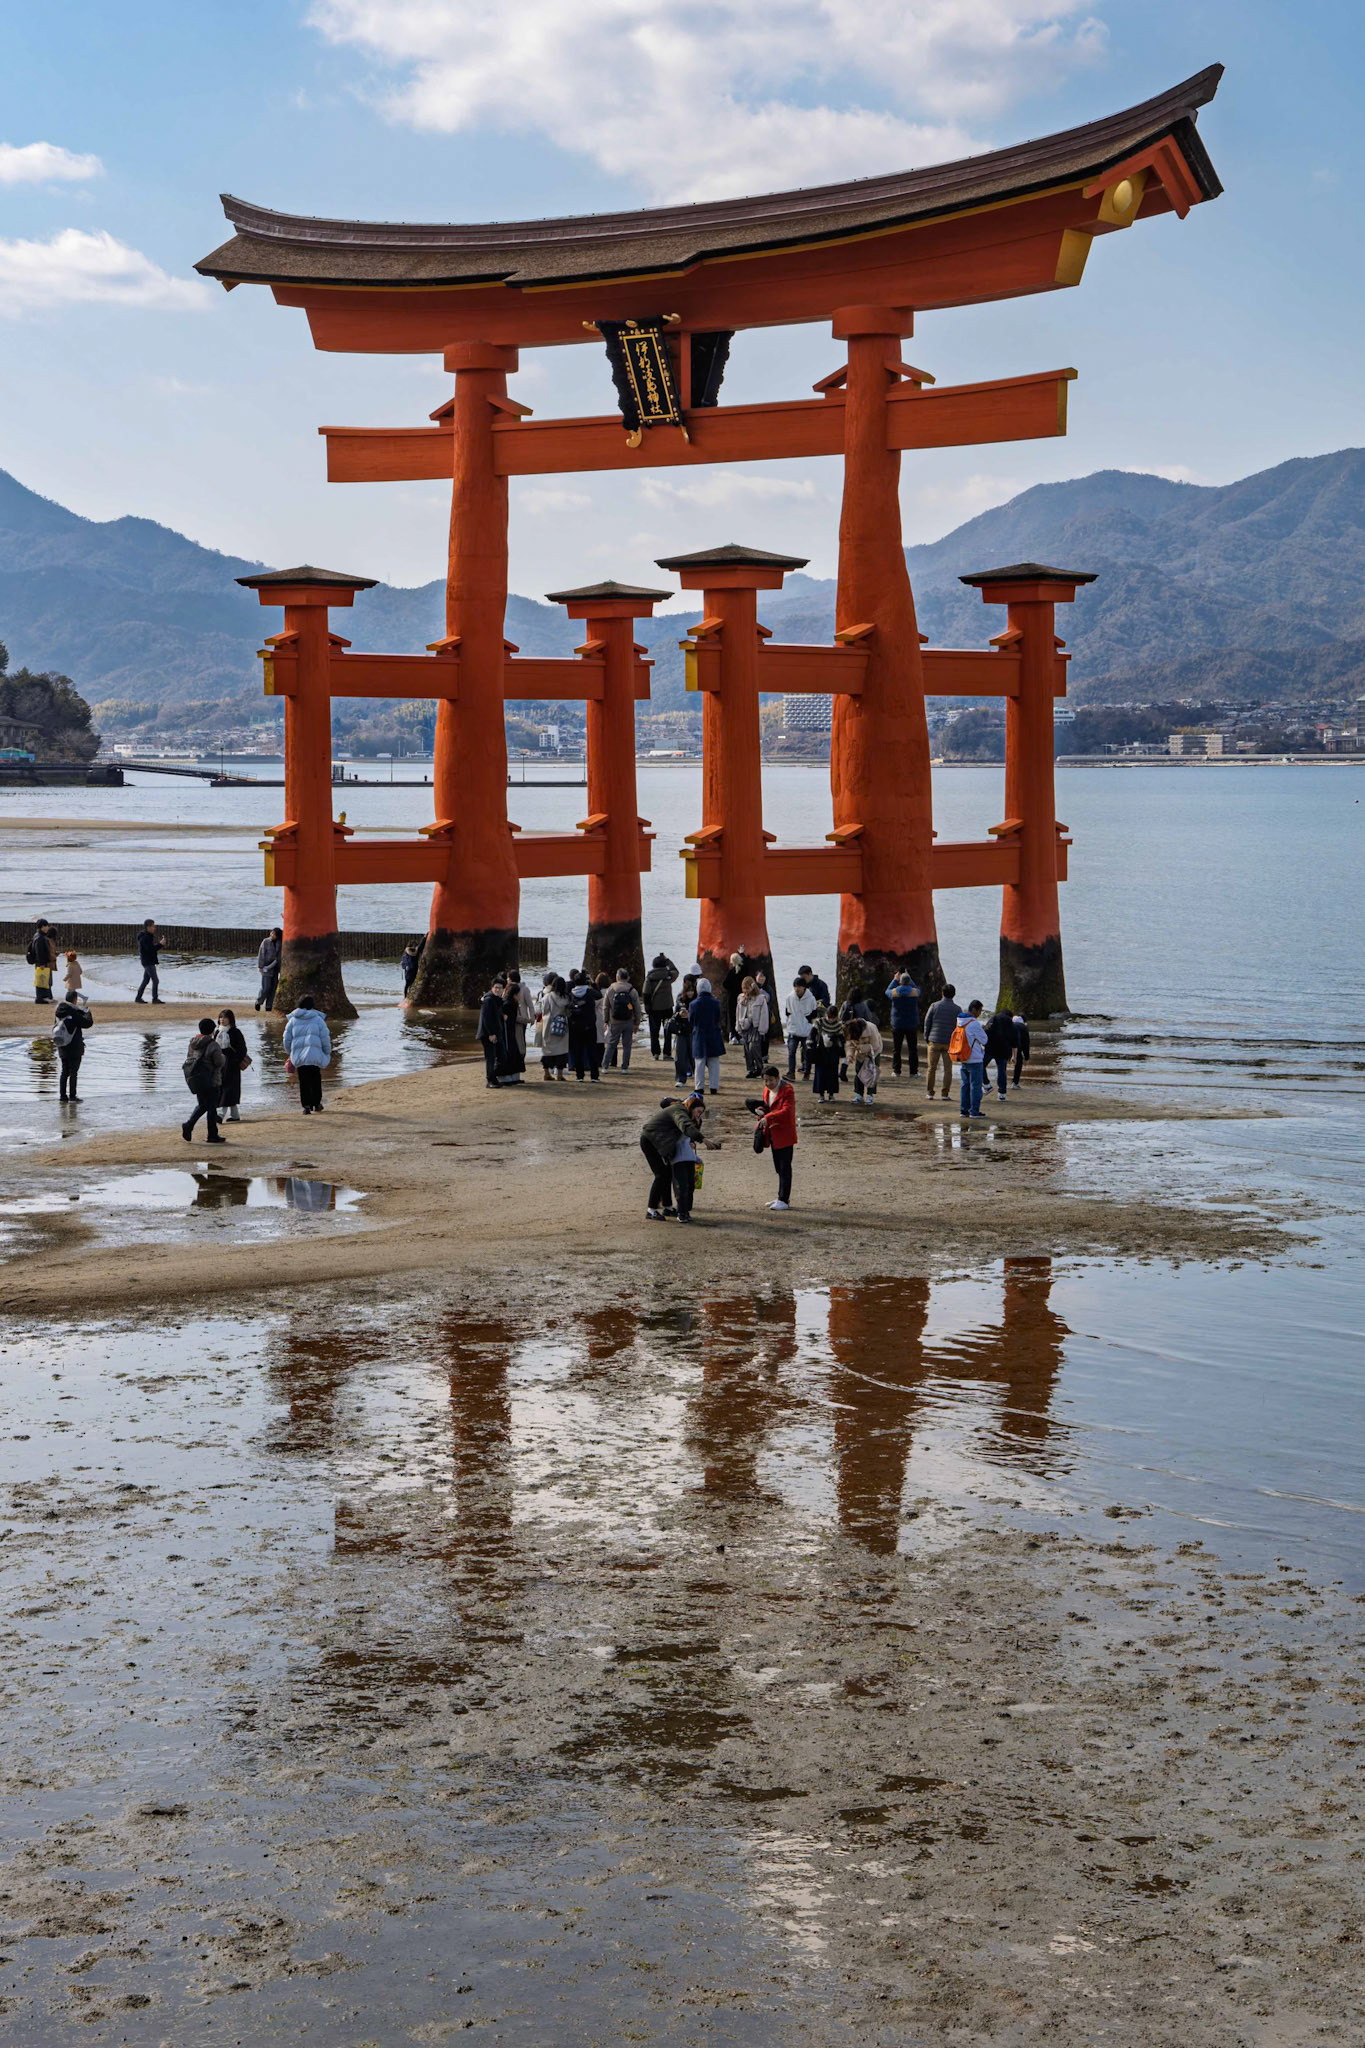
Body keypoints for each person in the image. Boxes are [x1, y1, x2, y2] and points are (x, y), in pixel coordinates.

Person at [639, 1091, 715, 1222]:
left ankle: (667, 1207)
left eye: (701, 1113)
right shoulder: (679, 1111)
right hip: (650, 1141)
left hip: (660, 1142)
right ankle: (651, 1210)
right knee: (661, 1175)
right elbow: (685, 1126)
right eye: (698, 1111)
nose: (699, 1115)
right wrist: (704, 1140)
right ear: (690, 1107)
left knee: (667, 1174)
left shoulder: (682, 1110)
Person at [750, 1064, 797, 1210]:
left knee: (784, 1167)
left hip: (784, 1134)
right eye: (765, 1080)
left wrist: (768, 1117)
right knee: (778, 1167)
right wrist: (761, 1110)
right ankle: (780, 1197)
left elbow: (787, 1111)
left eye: (770, 1080)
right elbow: (768, 1106)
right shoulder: (766, 1091)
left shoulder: (788, 1091)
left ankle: (784, 1199)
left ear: (778, 1078)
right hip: (772, 1134)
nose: (768, 1083)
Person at [283, 993, 332, 1114]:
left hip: (299, 1057)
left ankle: (306, 1106)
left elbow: (286, 1039)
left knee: (303, 1082)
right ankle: (316, 1104)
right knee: (315, 1080)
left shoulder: (293, 1021)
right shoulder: (318, 1020)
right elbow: (325, 1038)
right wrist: (327, 1051)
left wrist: (290, 1052)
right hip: (315, 1055)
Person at [181, 1017, 227, 1142]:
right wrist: (223, 1056)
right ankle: (208, 1133)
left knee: (203, 1105)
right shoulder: (213, 1045)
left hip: (197, 1079)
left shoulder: (193, 1042)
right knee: (211, 1107)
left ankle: (194, 1127)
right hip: (211, 1080)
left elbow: (189, 1058)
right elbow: (219, 1062)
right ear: (212, 1030)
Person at [52, 990, 92, 1103]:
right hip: (74, 1047)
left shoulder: (58, 1012)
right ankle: (73, 1097)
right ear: (75, 999)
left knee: (64, 1071)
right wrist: (87, 1013)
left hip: (62, 1045)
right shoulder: (74, 1012)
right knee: (73, 1072)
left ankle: (63, 1097)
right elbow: (88, 1023)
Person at [923, 982, 959, 1101]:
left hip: (934, 1040)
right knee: (948, 1069)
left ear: (942, 993)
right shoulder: (957, 1009)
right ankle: (945, 1093)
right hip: (949, 1043)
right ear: (954, 995)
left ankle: (930, 1092)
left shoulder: (934, 1006)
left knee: (931, 1068)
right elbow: (958, 1028)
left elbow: (927, 1022)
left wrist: (926, 1037)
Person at [689, 976, 725, 1095]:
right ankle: (714, 1087)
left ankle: (699, 1087)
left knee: (699, 1063)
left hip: (699, 1035)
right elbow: (718, 1018)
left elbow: (691, 1021)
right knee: (714, 1062)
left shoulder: (693, 1004)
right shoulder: (716, 1003)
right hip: (714, 1034)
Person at [954, 999, 989, 1119]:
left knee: (965, 1085)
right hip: (974, 1058)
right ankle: (974, 1111)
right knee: (975, 1086)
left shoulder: (960, 1022)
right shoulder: (974, 1023)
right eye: (979, 1011)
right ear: (974, 1009)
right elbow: (984, 1040)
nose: (979, 1013)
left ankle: (964, 1110)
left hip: (963, 1057)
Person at [215, 1007, 251, 1122]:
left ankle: (220, 1115)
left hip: (231, 1065)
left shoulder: (235, 1032)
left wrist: (235, 1060)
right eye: (221, 1017)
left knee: (228, 1089)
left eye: (225, 1017)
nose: (222, 1020)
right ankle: (235, 1115)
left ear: (230, 1019)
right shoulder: (217, 1032)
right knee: (224, 1088)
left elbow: (242, 1049)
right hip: (220, 1064)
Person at [604, 969, 643, 1069]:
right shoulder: (632, 990)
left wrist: (606, 1020)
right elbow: (637, 1008)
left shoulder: (611, 989)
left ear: (617, 977)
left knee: (611, 1044)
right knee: (627, 1045)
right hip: (628, 1021)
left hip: (614, 1021)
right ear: (628, 978)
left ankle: (605, 1066)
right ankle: (624, 1067)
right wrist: (637, 1023)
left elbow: (606, 1007)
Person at [567, 972, 602, 1082]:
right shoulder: (590, 992)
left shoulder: (571, 994)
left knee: (578, 1051)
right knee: (592, 1050)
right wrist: (593, 983)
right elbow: (599, 995)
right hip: (589, 1025)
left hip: (575, 1026)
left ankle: (579, 1076)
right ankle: (594, 1076)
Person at [642, 953, 678, 1058]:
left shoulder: (649, 977)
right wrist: (667, 960)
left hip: (654, 1008)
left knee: (654, 1032)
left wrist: (647, 1007)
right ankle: (667, 1053)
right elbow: (676, 971)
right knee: (668, 1031)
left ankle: (656, 1053)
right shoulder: (668, 975)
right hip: (667, 1007)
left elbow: (646, 993)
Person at [885, 970, 920, 1077]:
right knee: (912, 1048)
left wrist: (895, 979)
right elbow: (917, 988)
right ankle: (913, 1071)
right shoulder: (914, 992)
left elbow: (887, 991)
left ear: (900, 981)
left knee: (897, 1048)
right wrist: (910, 978)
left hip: (897, 1023)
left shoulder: (895, 992)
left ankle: (896, 1070)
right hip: (911, 1024)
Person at [735, 976, 771, 1078]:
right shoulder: (741, 998)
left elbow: (764, 1014)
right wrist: (738, 1027)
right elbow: (738, 1013)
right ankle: (751, 1069)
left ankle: (759, 1067)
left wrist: (763, 1029)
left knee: (753, 1047)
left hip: (755, 1027)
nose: (745, 991)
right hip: (745, 1026)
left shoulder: (760, 999)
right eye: (744, 988)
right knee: (747, 1049)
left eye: (747, 988)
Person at [784, 975, 818, 1078]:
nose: (796, 989)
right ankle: (791, 1073)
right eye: (795, 986)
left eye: (799, 986)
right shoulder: (789, 997)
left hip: (806, 1030)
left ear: (804, 987)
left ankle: (807, 1073)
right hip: (793, 1029)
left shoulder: (811, 999)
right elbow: (787, 1012)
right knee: (791, 1052)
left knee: (807, 1053)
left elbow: (814, 1014)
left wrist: (809, 1024)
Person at [538, 975, 571, 1079]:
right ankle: (560, 1074)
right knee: (561, 1051)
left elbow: (544, 1010)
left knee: (547, 1050)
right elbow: (569, 1012)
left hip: (549, 1024)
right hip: (562, 1025)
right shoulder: (567, 998)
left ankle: (547, 1073)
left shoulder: (548, 996)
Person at [477, 976, 508, 1088]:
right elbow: (486, 1018)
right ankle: (490, 1080)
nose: (497, 990)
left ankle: (493, 1078)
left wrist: (502, 1015)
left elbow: (496, 1012)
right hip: (487, 1034)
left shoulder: (496, 1000)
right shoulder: (488, 999)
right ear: (492, 988)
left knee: (502, 1057)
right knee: (491, 1058)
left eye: (500, 988)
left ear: (503, 989)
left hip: (496, 1033)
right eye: (496, 988)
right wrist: (490, 1034)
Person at [845, 1016, 883, 1105]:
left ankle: (870, 1095)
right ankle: (859, 1094)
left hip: (873, 1053)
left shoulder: (871, 1028)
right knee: (858, 1072)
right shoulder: (850, 1032)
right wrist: (850, 1055)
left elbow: (875, 1045)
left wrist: (861, 1047)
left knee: (871, 1073)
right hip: (860, 1054)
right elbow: (849, 1044)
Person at [809, 1003, 844, 1101]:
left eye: (832, 1018)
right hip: (821, 1051)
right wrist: (810, 1047)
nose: (830, 1019)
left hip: (833, 1051)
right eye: (829, 1017)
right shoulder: (819, 1023)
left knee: (832, 1074)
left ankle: (831, 1094)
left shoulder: (839, 1025)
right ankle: (821, 1094)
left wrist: (834, 1042)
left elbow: (842, 1039)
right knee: (820, 1073)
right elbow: (812, 1036)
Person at [983, 1007, 1018, 1100]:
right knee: (1002, 1071)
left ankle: (987, 1085)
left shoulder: (994, 1018)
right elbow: (1015, 1039)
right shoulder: (1011, 1023)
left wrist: (984, 1042)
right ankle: (1002, 1094)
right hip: (1004, 1050)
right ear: (1010, 1016)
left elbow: (986, 1030)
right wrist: (1014, 1055)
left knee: (981, 1066)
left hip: (990, 1047)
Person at [500, 978, 526, 1084]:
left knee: (512, 1052)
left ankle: (512, 1076)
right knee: (511, 1052)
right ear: (514, 994)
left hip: (510, 1031)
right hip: (508, 1032)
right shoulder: (509, 1004)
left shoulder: (508, 1003)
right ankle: (510, 1077)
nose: (519, 995)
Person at [663, 993, 693, 1087]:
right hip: (681, 1031)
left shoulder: (697, 1001)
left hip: (693, 1031)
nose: (690, 993)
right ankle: (681, 1078)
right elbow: (674, 1015)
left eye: (692, 990)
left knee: (693, 1055)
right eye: (688, 990)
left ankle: (691, 1070)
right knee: (680, 1055)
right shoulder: (680, 998)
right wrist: (678, 1015)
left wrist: (690, 1015)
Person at [721, 950, 750, 1038]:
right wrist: (742, 953)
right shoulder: (744, 970)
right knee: (742, 1014)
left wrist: (730, 989)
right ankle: (741, 1034)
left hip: (732, 996)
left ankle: (733, 1034)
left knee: (732, 1015)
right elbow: (746, 962)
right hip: (743, 995)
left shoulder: (732, 972)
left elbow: (725, 984)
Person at [134, 918, 162, 1004]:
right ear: (148, 927)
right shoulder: (145, 937)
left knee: (146, 980)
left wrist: (159, 945)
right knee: (156, 980)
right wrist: (160, 944)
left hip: (147, 961)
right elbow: (150, 949)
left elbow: (150, 949)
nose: (154, 928)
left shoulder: (146, 936)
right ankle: (155, 998)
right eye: (153, 926)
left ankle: (138, 997)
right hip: (148, 961)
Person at [27, 918, 55, 1004]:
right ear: (41, 927)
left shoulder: (38, 935)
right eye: (44, 926)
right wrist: (42, 963)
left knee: (43, 979)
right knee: (43, 980)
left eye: (47, 926)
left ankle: (47, 997)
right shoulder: (40, 938)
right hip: (42, 963)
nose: (46, 928)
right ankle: (42, 998)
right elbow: (39, 952)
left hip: (41, 962)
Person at [256, 928, 282, 1012]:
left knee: (273, 988)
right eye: (271, 933)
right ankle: (259, 1002)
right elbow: (261, 954)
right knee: (266, 987)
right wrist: (260, 966)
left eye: (274, 934)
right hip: (266, 967)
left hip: (276, 967)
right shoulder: (266, 941)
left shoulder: (280, 943)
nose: (272, 935)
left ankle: (269, 1006)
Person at [1012, 1014, 1031, 1089]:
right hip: (1017, 1046)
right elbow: (1026, 1043)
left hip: (1006, 1046)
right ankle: (1015, 1083)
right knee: (1019, 1062)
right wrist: (1027, 1057)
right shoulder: (1023, 1027)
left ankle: (1002, 1083)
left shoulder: (1010, 1024)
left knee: (1002, 1063)